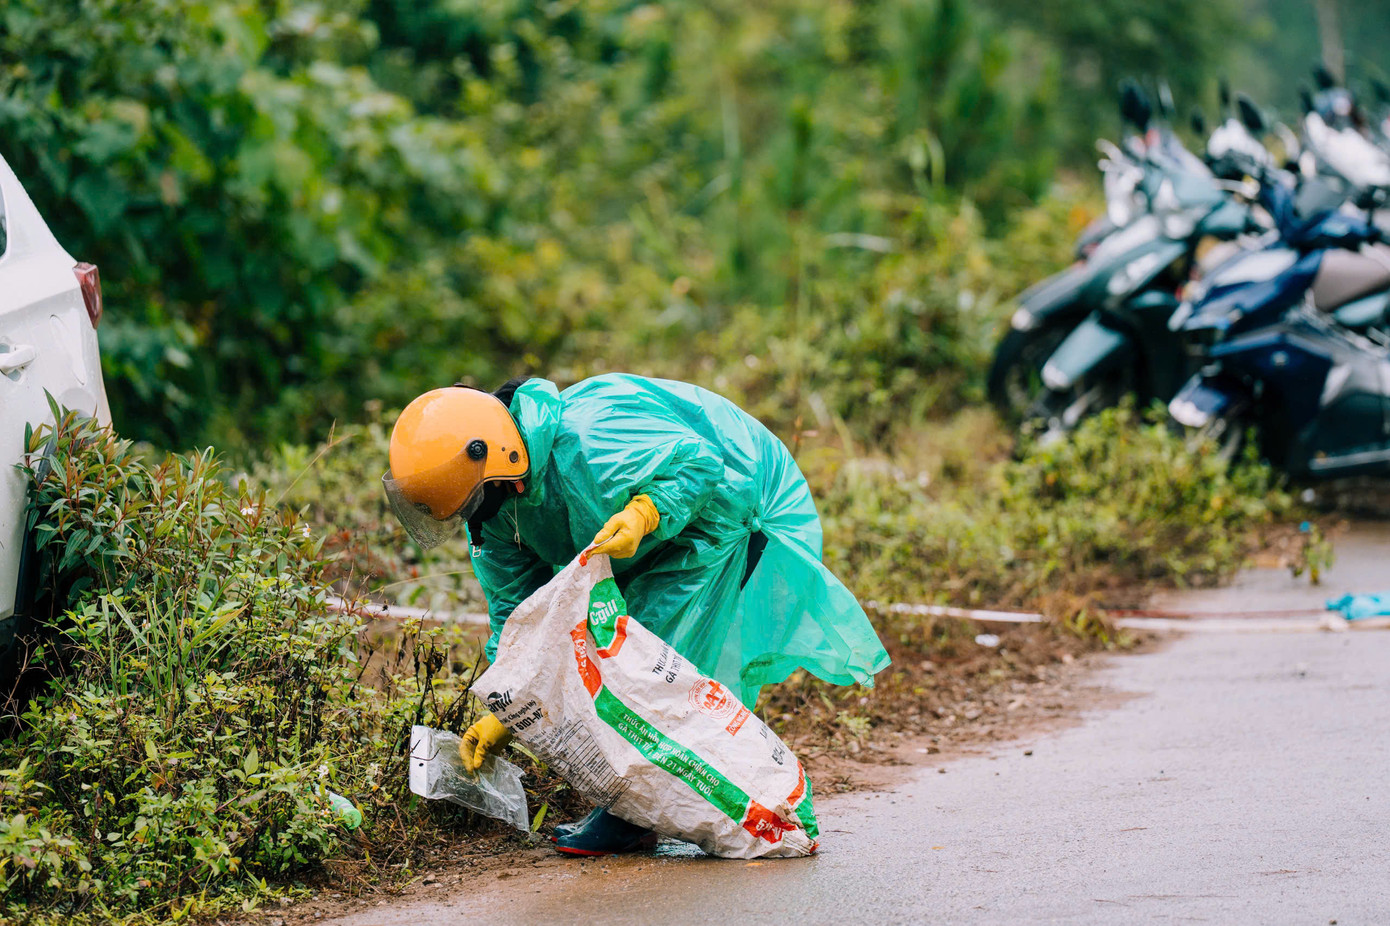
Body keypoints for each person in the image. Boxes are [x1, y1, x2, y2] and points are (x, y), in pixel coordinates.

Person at [383, 374, 889, 855]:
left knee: (646, 656)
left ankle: (639, 815)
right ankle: (652, 804)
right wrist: (506, 709)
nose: (477, 515)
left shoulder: (591, 438)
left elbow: (701, 464)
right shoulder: (493, 513)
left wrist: (645, 512)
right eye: (467, 507)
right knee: (615, 646)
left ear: (500, 458)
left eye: (479, 499)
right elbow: (519, 615)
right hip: (647, 535)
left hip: (722, 505)